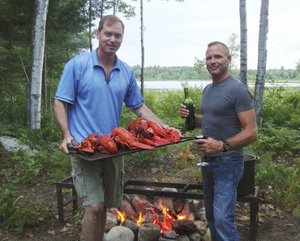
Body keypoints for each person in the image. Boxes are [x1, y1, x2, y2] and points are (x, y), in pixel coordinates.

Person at [54, 15, 173, 241]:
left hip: (114, 149)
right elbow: (60, 101)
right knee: (94, 207)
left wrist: (163, 126)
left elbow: (138, 107)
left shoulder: (125, 71)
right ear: (97, 34)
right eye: (108, 34)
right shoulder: (77, 66)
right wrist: (66, 135)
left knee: (106, 206)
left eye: (117, 35)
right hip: (84, 149)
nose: (112, 39)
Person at [179, 41, 257, 241]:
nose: (212, 61)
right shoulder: (208, 90)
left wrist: (223, 145)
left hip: (228, 162)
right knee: (212, 217)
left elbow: (251, 131)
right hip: (207, 161)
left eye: (217, 57)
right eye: (209, 57)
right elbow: (210, 120)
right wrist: (191, 118)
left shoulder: (237, 89)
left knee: (223, 218)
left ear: (229, 60)